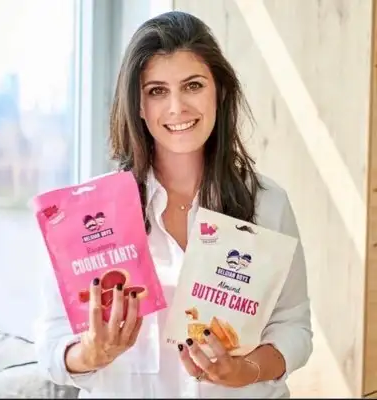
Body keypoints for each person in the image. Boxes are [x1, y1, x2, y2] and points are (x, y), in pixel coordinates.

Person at [35, 11, 313, 398]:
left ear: (220, 91)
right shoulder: (86, 215)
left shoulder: (268, 203)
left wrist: (243, 371)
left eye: (193, 85)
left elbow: (294, 327)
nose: (177, 107)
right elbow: (50, 345)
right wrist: (90, 354)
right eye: (157, 91)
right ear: (137, 105)